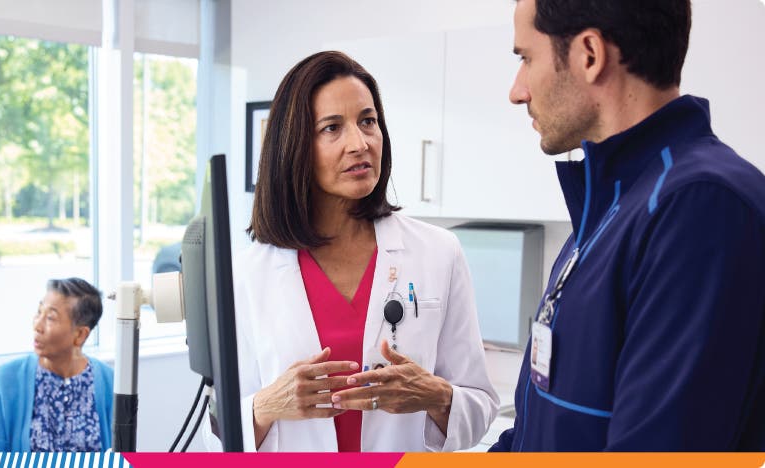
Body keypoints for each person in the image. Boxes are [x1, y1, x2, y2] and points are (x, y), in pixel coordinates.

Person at [491, 0, 765, 451]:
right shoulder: (605, 210)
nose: (517, 90)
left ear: (589, 55)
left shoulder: (698, 208)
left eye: (526, 57)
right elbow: (536, 435)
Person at [222, 51, 497, 452]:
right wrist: (266, 406)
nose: (360, 143)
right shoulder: (248, 273)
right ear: (295, 146)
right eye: (332, 127)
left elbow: (481, 407)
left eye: (368, 121)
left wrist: (434, 394)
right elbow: (216, 433)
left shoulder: (438, 252)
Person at [0, 278, 113, 452]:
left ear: (80, 334)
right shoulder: (6, 378)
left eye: (50, 318)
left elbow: (120, 451)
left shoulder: (110, 381)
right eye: (39, 312)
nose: (37, 325)